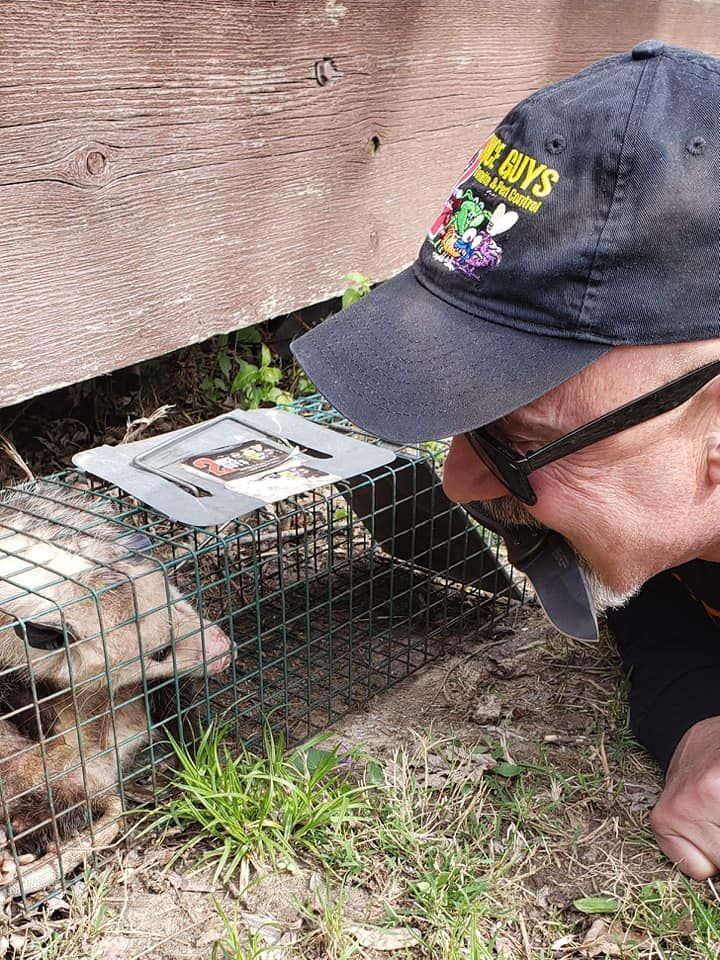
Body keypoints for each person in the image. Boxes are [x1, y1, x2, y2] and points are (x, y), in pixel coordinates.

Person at [291, 40, 720, 879]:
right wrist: (699, 723)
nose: (459, 480)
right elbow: (648, 607)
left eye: (517, 438)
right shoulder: (655, 511)